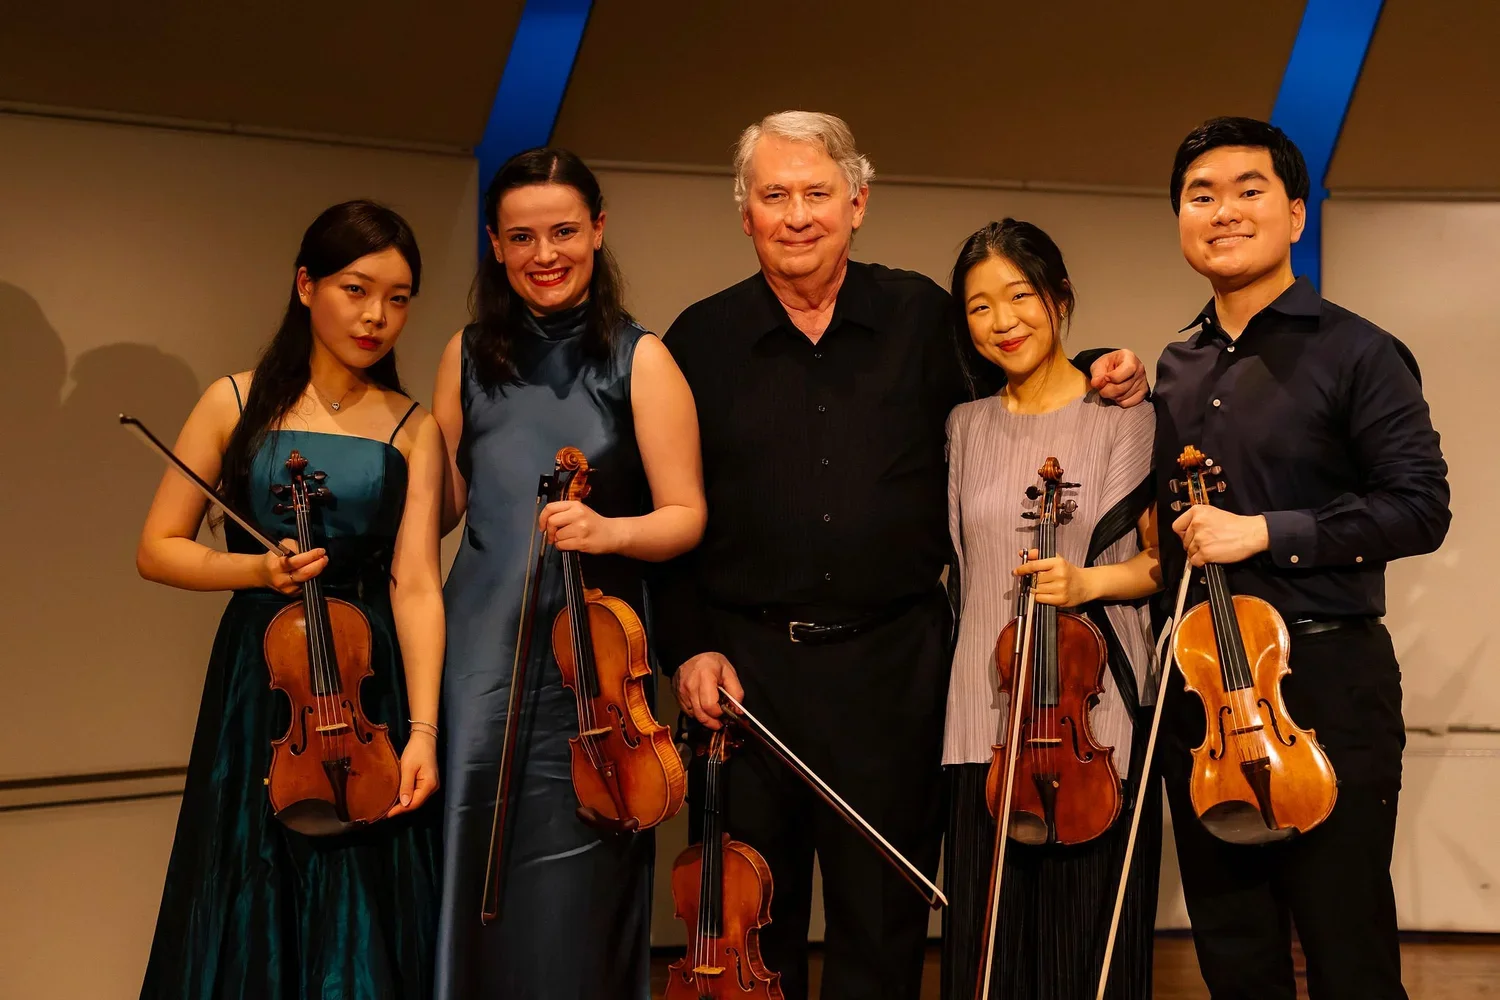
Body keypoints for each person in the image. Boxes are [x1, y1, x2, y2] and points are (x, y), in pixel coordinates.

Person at [659, 110, 1149, 1000]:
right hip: (746, 675)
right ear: (745, 214)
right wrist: (688, 645)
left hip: (892, 672)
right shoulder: (696, 340)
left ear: (859, 203)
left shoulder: (923, 315)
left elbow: (1023, 374)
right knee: (742, 931)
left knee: (881, 928)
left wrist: (1109, 368)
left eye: (818, 193)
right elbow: (665, 513)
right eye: (774, 195)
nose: (797, 214)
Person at [1154, 117, 1450, 1000]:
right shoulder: (1174, 364)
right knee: (1234, 948)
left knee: (1344, 941)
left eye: (1250, 191)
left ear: (1293, 214)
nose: (1224, 212)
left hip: (1324, 674)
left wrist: (1267, 532)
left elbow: (1420, 506)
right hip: (1204, 689)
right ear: (1178, 220)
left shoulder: (1358, 350)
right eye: (1200, 196)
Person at [136, 200, 446, 999]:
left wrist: (422, 732)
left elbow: (415, 582)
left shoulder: (414, 427)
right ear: (306, 286)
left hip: (367, 677)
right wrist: (256, 573)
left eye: (400, 297)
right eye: (356, 288)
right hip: (261, 674)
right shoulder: (232, 403)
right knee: (248, 875)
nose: (377, 315)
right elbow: (158, 549)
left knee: (368, 893)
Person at [430, 147, 706, 1000]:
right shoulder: (468, 355)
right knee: (470, 876)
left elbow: (685, 516)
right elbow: (437, 508)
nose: (543, 254)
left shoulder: (640, 359)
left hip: (590, 670)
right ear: (495, 243)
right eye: (521, 237)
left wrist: (608, 530)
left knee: (578, 894)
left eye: (562, 232)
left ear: (597, 230)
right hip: (475, 658)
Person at [939, 220, 1162, 1000]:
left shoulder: (1124, 416)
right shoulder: (964, 427)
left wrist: (1089, 585)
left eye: (1020, 296)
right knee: (984, 965)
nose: (1002, 321)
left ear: (1060, 300)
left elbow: (1162, 564)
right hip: (982, 723)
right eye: (979, 307)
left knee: (1083, 964)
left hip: (1089, 727)